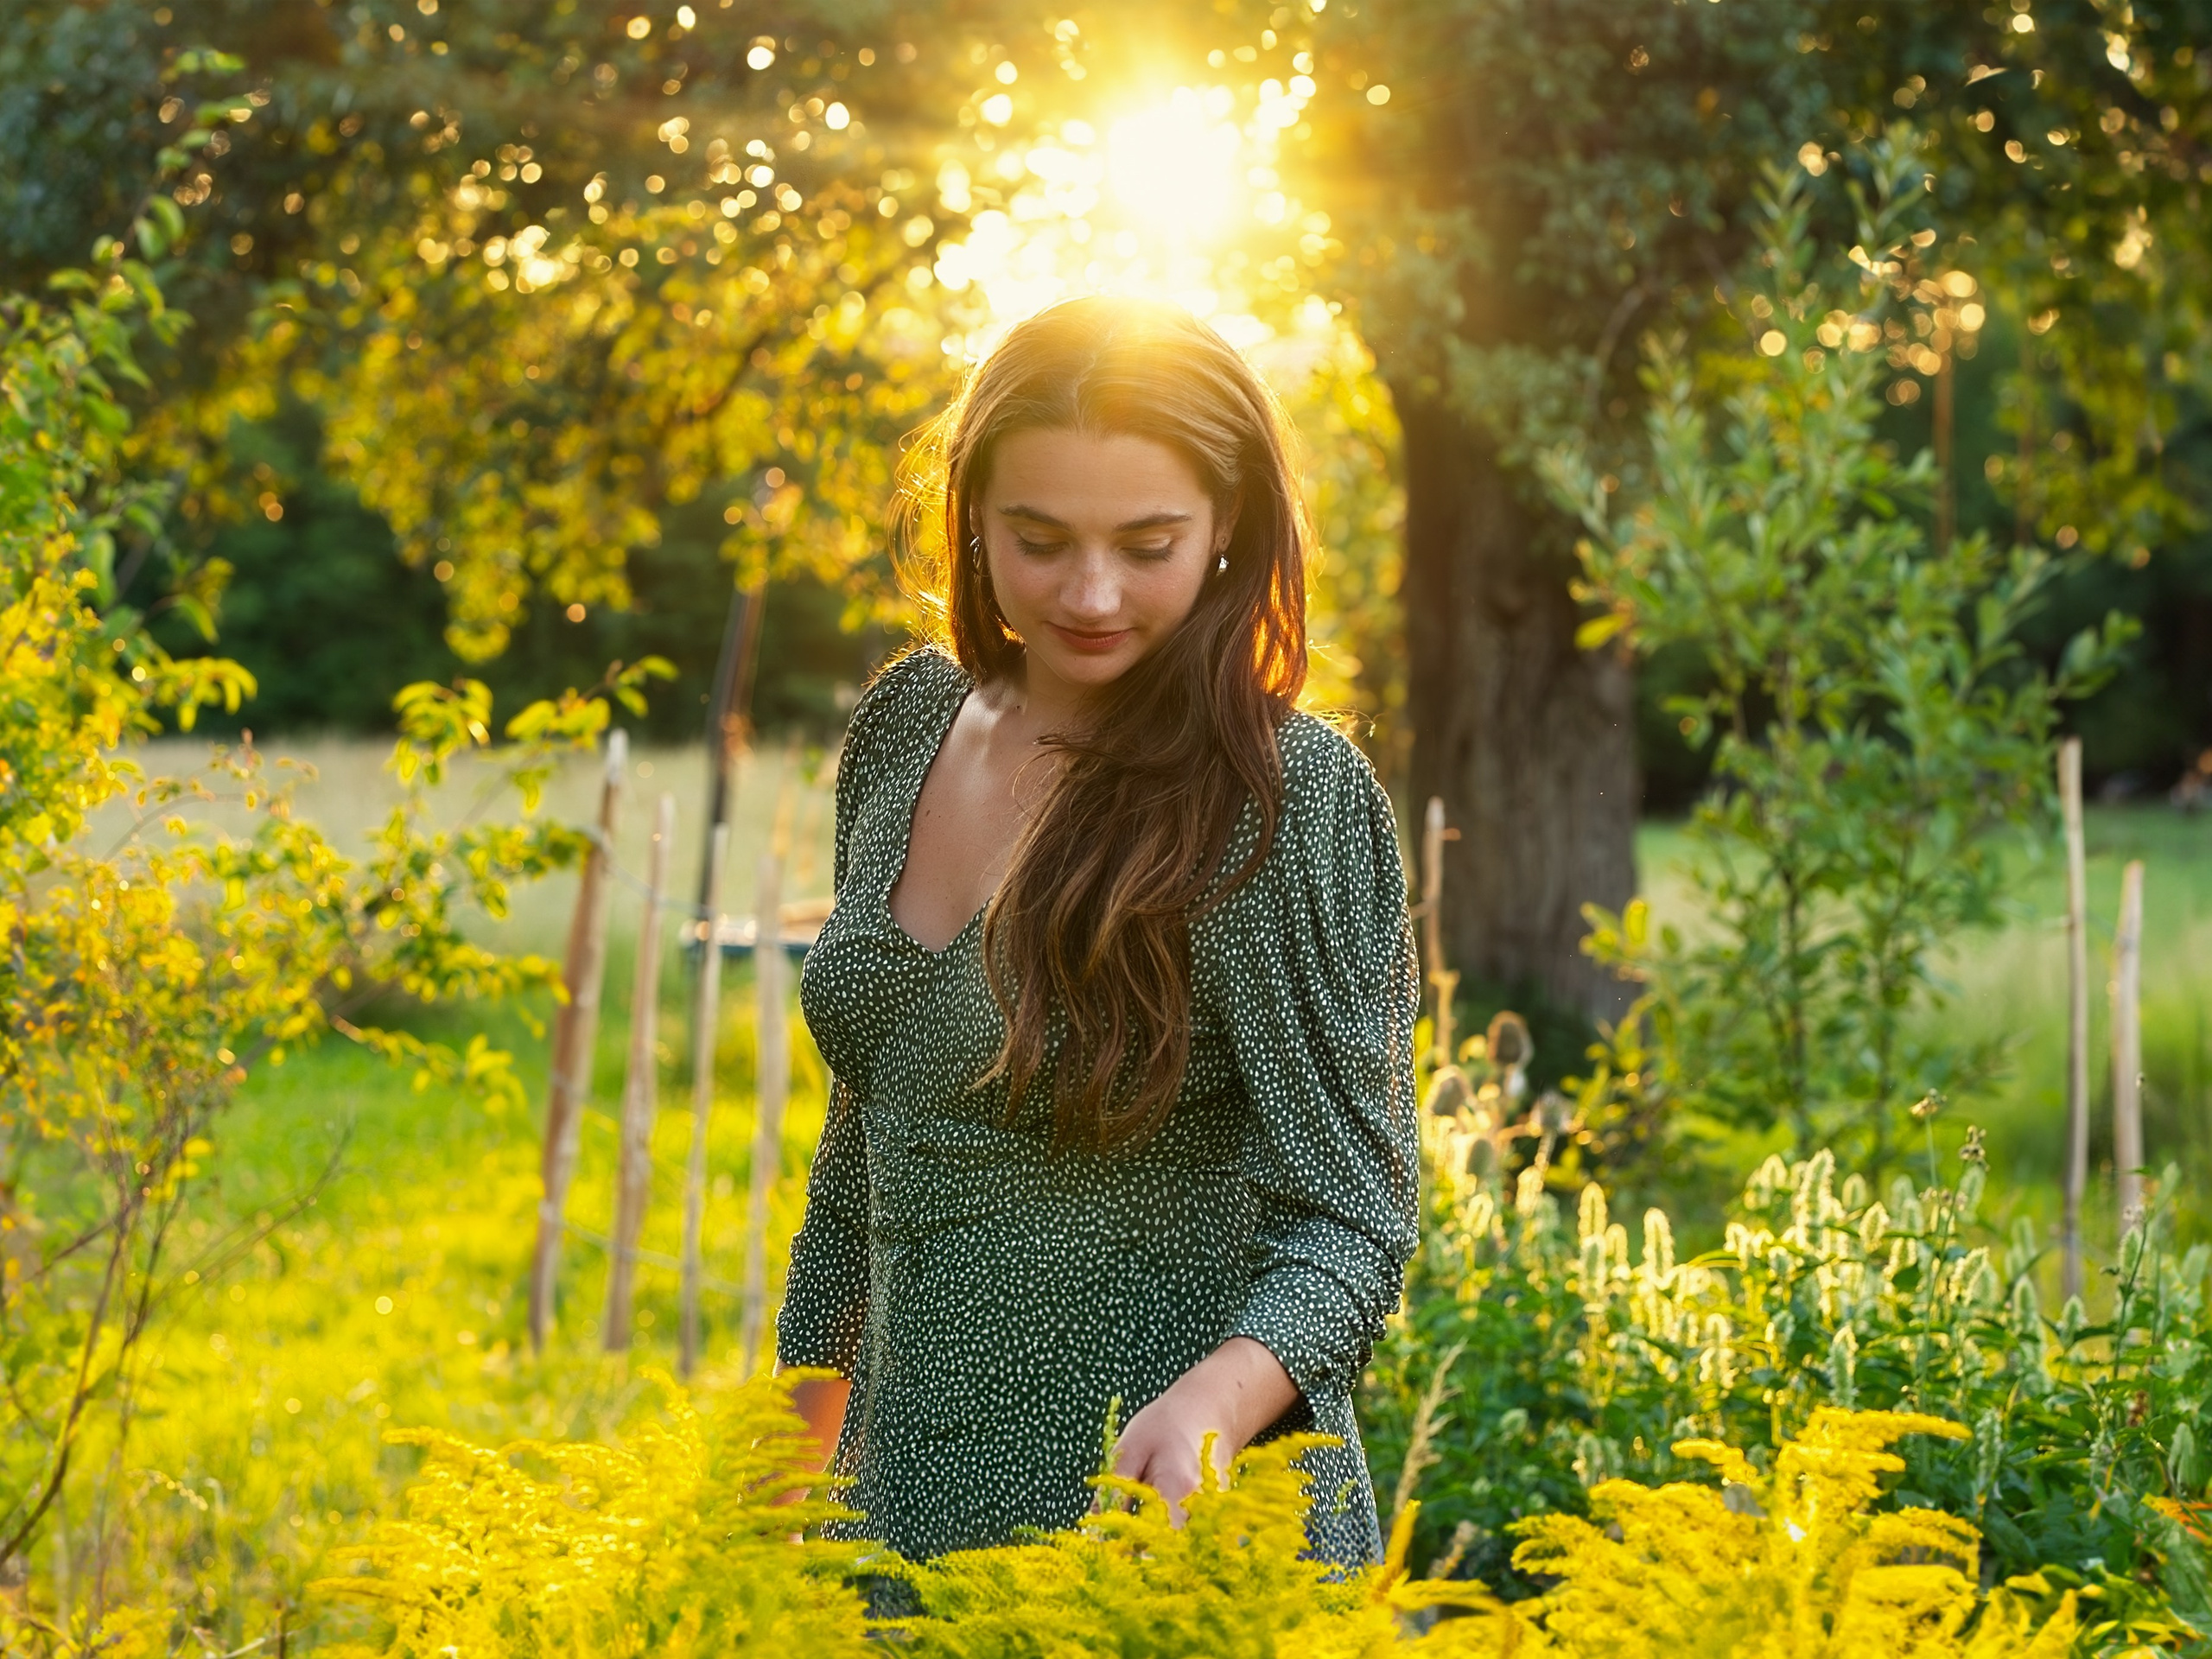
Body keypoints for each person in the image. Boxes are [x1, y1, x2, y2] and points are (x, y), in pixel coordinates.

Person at [775, 294, 1419, 1568]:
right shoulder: (908, 727)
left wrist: (1215, 1408)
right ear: (971, 519)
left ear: (1227, 525)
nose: (1090, 590)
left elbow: (1354, 1219)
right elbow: (861, 1151)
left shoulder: (1279, 800)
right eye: (1040, 537)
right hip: (901, 1518)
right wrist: (784, 1463)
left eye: (1147, 542)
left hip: (1165, 1540)